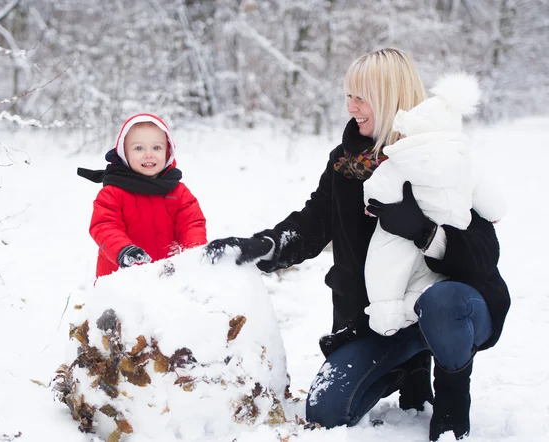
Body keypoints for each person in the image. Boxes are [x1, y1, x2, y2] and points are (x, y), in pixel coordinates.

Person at [203, 48, 510, 441]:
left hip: (453, 305)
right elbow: (313, 222)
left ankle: (451, 397)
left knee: (442, 304)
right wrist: (264, 246)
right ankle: (409, 362)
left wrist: (423, 231)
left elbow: (485, 254)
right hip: (378, 316)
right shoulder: (346, 163)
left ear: (389, 96)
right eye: (348, 95)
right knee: (326, 410)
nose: (351, 106)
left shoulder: (441, 155)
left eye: (360, 96)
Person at [363, 72, 506, 337]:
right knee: (431, 280)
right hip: (451, 230)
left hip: (407, 240)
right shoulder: (467, 162)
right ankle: (412, 310)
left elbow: (377, 192)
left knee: (387, 263)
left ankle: (386, 314)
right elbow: (495, 207)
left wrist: (375, 203)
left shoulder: (398, 160)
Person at [78, 113, 207, 278]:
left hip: (168, 277)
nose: (149, 154)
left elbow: (192, 224)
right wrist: (123, 250)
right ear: (124, 153)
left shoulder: (178, 192)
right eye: (139, 148)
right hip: (121, 278)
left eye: (157, 148)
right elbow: (105, 226)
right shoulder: (112, 193)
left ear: (168, 152)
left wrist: (193, 252)